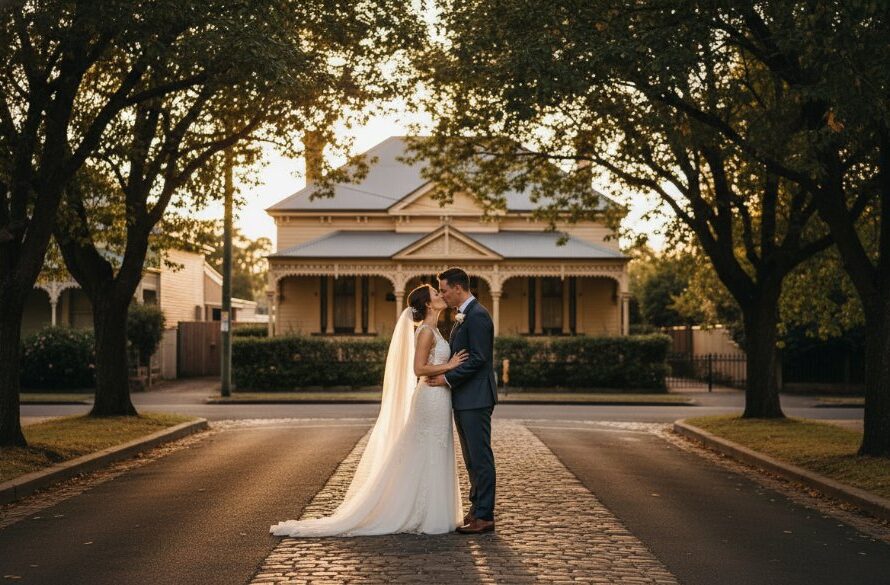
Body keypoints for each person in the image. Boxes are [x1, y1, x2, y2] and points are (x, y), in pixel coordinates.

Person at [270, 284, 468, 536]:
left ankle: (433, 509)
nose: (441, 295)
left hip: (438, 397)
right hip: (429, 397)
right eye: (436, 294)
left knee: (434, 449)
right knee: (428, 448)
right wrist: (449, 366)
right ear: (428, 304)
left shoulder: (435, 330)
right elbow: (418, 369)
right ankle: (420, 512)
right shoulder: (426, 332)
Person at [426, 267, 498, 534]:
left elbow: (479, 359)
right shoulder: (463, 317)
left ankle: (485, 516)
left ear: (458, 288)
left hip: (476, 397)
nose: (443, 295)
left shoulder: (477, 316)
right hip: (465, 397)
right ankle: (476, 508)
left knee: (480, 457)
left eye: (444, 290)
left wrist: (447, 379)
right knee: (471, 459)